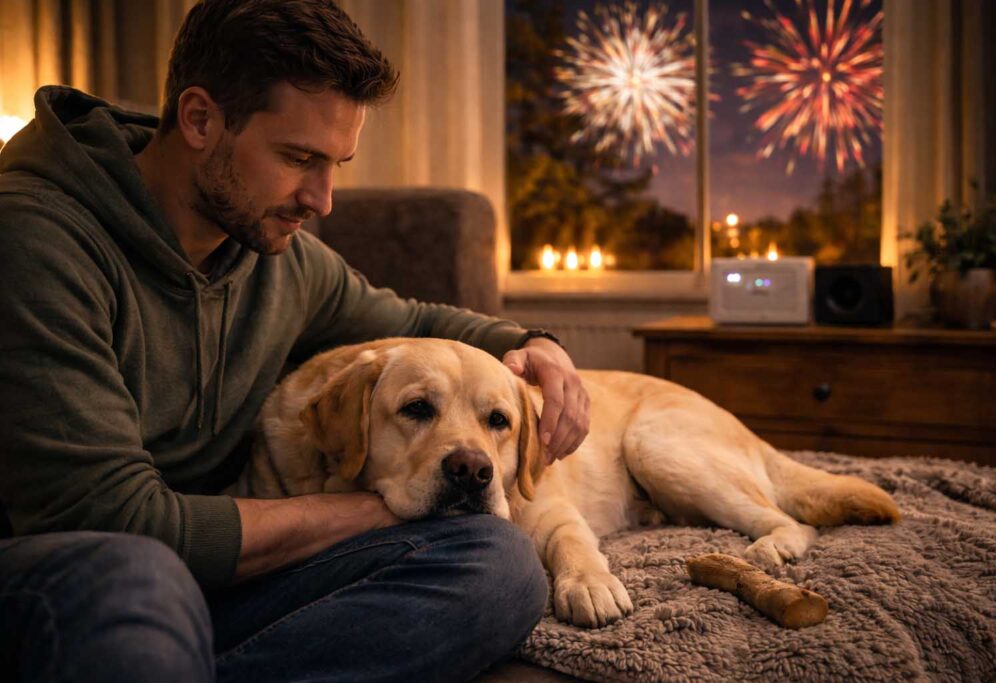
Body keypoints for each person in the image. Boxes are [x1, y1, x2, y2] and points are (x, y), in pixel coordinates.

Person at [0, 1, 590, 681]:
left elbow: (418, 320)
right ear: (199, 119)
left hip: (213, 582)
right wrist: (381, 504)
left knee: (499, 564)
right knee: (137, 574)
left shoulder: (277, 257)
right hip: (81, 573)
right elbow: (120, 520)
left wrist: (535, 342)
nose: (323, 199)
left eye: (336, 162)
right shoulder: (38, 238)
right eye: (299, 158)